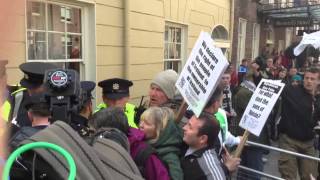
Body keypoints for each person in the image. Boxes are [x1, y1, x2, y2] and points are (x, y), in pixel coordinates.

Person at [92, 107, 170, 180]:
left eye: (97, 133)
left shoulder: (145, 155)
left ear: (112, 133)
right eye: (141, 121)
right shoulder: (105, 148)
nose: (141, 125)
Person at [278, 67, 319, 180]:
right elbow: (274, 87)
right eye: (307, 78)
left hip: (309, 143)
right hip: (289, 141)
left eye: (312, 79)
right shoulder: (292, 91)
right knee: (288, 175)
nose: (309, 81)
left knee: (310, 176)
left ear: (318, 81)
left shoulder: (318, 98)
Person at [234, 67, 269, 180]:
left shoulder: (247, 91)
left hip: (250, 135)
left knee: (246, 169)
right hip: (251, 136)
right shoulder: (245, 93)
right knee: (252, 170)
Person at [181, 112, 240, 180]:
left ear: (202, 139)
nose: (184, 128)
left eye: (190, 127)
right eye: (187, 124)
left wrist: (225, 169)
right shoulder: (185, 142)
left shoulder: (209, 168)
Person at [139, 107, 183, 180]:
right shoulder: (142, 141)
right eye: (141, 121)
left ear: (159, 129)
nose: (141, 125)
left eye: (147, 123)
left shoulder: (170, 157)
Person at [11, 62, 56, 128]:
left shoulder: (61, 101)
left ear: (47, 86)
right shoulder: (18, 98)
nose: (30, 91)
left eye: (35, 88)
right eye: (28, 87)